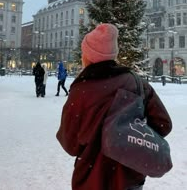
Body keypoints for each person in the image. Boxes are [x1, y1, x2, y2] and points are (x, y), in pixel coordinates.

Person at [56, 23, 172, 190]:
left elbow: (70, 144)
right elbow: (163, 124)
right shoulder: (137, 83)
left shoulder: (81, 91)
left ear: (88, 56)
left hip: (91, 180)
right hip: (129, 178)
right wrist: (132, 134)